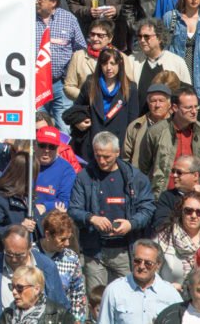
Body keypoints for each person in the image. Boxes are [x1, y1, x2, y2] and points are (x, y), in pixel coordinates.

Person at [69, 132, 155, 293]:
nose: (101, 161)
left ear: (117, 152)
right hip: (95, 250)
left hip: (125, 250)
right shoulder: (84, 177)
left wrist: (131, 223)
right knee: (97, 300)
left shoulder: (135, 178)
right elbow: (73, 209)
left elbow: (148, 208)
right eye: (98, 156)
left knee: (127, 297)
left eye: (107, 157)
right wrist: (91, 218)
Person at [0, 226, 70, 323]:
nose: (14, 259)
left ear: (29, 247)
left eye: (19, 255)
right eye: (8, 254)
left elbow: (61, 305)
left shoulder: (47, 267)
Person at [66, 47, 140, 162]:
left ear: (119, 65)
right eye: (105, 63)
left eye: (113, 63)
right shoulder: (91, 83)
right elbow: (75, 110)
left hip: (116, 143)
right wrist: (79, 121)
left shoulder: (130, 88)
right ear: (100, 65)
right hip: (92, 142)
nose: (109, 68)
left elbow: (133, 121)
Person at [138, 86, 200, 197]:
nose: (194, 111)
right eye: (188, 108)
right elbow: (144, 166)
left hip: (193, 199)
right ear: (174, 108)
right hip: (162, 198)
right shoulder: (156, 132)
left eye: (196, 107)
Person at [36, 0, 88, 131]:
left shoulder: (69, 19)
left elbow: (80, 49)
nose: (36, 1)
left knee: (64, 128)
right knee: (38, 129)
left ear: (53, 1)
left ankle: (63, 154)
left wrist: (69, 75)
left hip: (61, 84)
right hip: (36, 85)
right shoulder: (26, 18)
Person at [96, 239, 182, 324]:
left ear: (158, 265)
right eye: (137, 261)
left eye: (148, 263)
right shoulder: (114, 290)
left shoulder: (170, 293)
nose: (141, 266)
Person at [0, 150, 42, 253]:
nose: (33, 179)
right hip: (10, 254)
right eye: (32, 175)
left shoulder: (28, 195)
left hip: (31, 252)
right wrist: (18, 227)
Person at [39, 211, 87, 323]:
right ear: (47, 235)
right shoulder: (31, 254)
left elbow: (77, 296)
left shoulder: (71, 258)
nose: (66, 244)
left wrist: (78, 321)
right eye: (62, 239)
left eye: (68, 238)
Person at [123, 82, 177, 168]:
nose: (157, 105)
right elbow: (126, 158)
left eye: (161, 101)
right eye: (153, 101)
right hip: (141, 177)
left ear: (169, 104)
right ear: (148, 103)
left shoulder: (177, 124)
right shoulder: (135, 126)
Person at [0, 265, 75, 324]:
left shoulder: (58, 313)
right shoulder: (7, 315)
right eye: (12, 287)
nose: (14, 291)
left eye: (19, 287)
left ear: (36, 289)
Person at [34, 127, 77, 214]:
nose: (46, 150)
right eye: (42, 145)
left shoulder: (66, 170)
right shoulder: (23, 162)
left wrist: (44, 206)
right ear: (35, 145)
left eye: (51, 147)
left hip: (48, 217)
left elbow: (65, 202)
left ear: (58, 148)